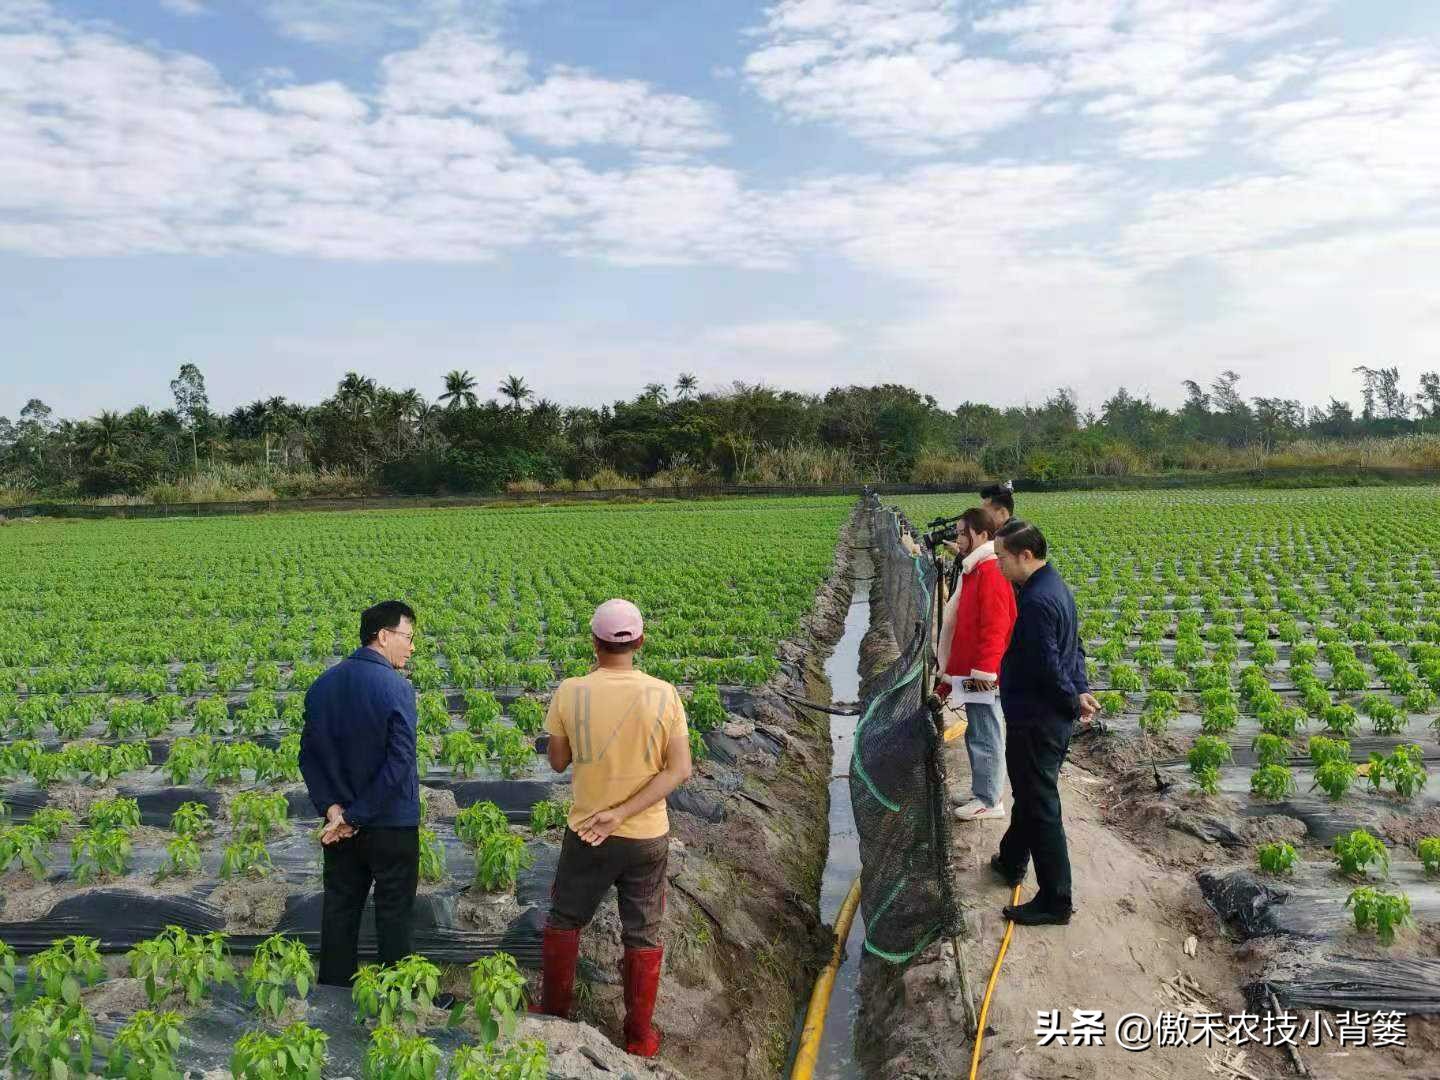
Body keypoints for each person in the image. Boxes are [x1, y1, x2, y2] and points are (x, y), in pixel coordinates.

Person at [534, 598, 693, 1058]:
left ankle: (555, 1015)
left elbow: (559, 761)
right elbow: (678, 770)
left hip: (587, 833)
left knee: (566, 919)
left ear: (594, 642)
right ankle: (640, 1038)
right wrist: (624, 814)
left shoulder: (571, 690)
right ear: (639, 642)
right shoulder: (664, 694)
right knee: (642, 933)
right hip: (645, 837)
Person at [299, 600, 421, 987]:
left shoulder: (322, 685)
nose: (412, 647)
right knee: (394, 912)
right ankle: (396, 997)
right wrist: (355, 816)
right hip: (390, 824)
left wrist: (334, 809)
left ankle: (333, 995)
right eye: (408, 637)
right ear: (383, 636)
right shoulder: (395, 688)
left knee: (340, 908)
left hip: (339, 826)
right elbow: (399, 763)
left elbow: (308, 756)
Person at [990, 520, 1098, 926]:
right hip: (1046, 715)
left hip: (1037, 719)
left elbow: (1049, 665)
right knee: (1032, 792)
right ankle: (1011, 860)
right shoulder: (1054, 587)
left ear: (1025, 556)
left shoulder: (1036, 600)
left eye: (1002, 558)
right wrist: (1079, 689)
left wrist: (1072, 698)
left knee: (1041, 806)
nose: (998, 565)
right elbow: (1075, 648)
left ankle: (1055, 899)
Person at [936, 507, 1018, 822]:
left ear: (981, 535)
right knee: (977, 730)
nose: (957, 539)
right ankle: (981, 790)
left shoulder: (991, 571)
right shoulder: (976, 568)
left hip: (986, 671)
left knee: (986, 731)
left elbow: (995, 630)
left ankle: (990, 800)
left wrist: (984, 676)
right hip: (974, 669)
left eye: (961, 532)